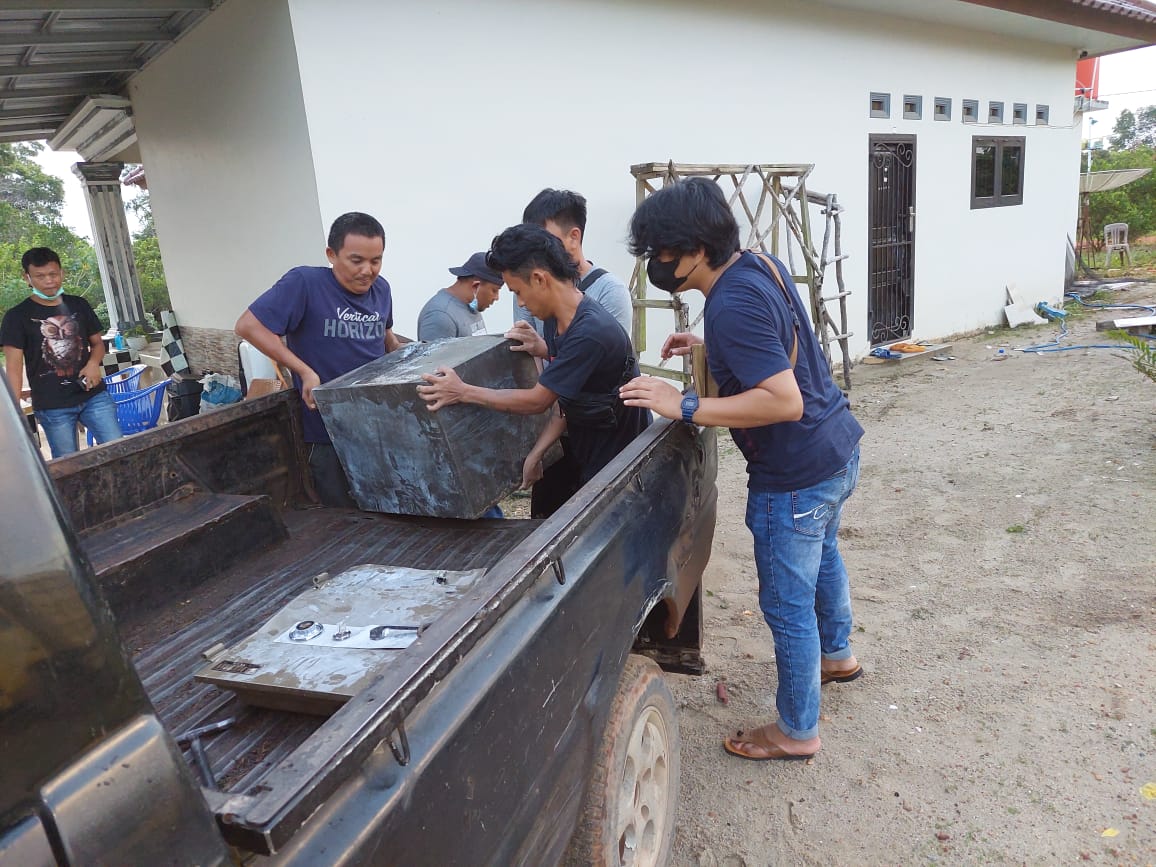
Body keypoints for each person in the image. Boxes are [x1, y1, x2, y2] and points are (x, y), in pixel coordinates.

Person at [620, 178, 864, 762]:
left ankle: (797, 732)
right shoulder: (758, 265)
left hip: (795, 473)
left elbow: (783, 400)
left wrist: (681, 402)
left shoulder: (732, 303)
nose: (658, 264)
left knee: (786, 603)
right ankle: (838, 656)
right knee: (823, 556)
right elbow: (775, 345)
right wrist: (707, 347)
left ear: (696, 249)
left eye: (663, 252)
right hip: (836, 451)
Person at [418, 223, 649, 494]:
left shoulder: (590, 331)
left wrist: (462, 391)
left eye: (517, 291)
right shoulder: (556, 319)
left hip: (621, 459)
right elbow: (565, 397)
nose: (522, 303)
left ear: (540, 279)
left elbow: (538, 400)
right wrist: (537, 452)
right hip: (588, 440)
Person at [235, 211, 401, 508]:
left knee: (386, 508)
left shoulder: (382, 289)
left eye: (376, 261)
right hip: (327, 432)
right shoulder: (306, 284)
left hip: (377, 425)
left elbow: (386, 337)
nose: (368, 270)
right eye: (356, 260)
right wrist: (304, 371)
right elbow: (248, 326)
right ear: (331, 254)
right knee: (341, 515)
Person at [510, 188, 634, 517]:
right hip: (561, 420)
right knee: (548, 520)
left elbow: (598, 367)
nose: (521, 301)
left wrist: (463, 391)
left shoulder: (605, 296)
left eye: (543, 239)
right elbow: (542, 356)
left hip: (600, 428)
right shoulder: (541, 296)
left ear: (573, 236)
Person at [2, 247, 123, 458]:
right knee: (69, 465)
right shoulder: (16, 317)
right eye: (40, 276)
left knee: (119, 452)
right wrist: (13, 413)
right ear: (27, 277)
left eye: (53, 274)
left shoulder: (79, 304)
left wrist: (93, 363)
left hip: (93, 396)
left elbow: (98, 344)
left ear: (62, 273)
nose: (49, 280)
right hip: (52, 405)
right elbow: (13, 369)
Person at [416, 251, 503, 341]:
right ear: (475, 286)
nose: (496, 298)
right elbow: (435, 355)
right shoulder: (440, 316)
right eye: (494, 290)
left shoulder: (472, 304)